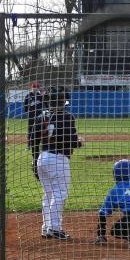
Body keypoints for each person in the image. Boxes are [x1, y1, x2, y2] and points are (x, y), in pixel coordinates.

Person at [37, 85, 82, 241]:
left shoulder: (41, 116)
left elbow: (33, 140)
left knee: (48, 194)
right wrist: (80, 142)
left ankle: (46, 228)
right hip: (58, 159)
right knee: (60, 194)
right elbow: (71, 141)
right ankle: (55, 228)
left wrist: (34, 160)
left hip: (42, 158)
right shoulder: (67, 116)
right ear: (63, 101)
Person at [23, 82, 44, 180]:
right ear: (31, 87)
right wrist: (30, 110)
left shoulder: (40, 96)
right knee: (30, 131)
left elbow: (45, 105)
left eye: (37, 87)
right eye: (34, 87)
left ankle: (42, 144)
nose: (35, 88)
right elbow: (25, 107)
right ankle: (29, 144)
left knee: (40, 131)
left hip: (40, 117)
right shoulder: (28, 96)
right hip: (31, 117)